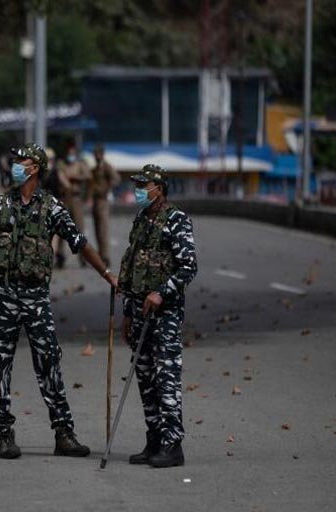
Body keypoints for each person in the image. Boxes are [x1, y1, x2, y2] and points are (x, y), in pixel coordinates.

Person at [0, 143, 118, 459]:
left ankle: (64, 434)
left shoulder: (51, 208)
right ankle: (4, 434)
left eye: (21, 161)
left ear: (35, 167)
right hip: (5, 296)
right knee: (0, 363)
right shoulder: (0, 203)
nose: (15, 166)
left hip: (36, 298)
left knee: (49, 362)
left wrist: (107, 274)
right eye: (14, 162)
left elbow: (79, 242)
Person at [118, 164, 197, 468]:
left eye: (144, 185)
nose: (138, 189)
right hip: (139, 312)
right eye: (137, 184)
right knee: (145, 377)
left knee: (166, 378)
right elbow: (132, 267)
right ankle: (153, 440)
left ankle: (172, 444)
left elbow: (188, 266)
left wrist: (161, 292)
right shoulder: (140, 220)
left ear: (159, 188)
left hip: (164, 314)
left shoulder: (177, 220)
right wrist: (128, 312)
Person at [55, 140, 90, 267]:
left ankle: (83, 257)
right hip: (65, 198)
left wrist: (77, 177)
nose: (70, 153)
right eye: (69, 150)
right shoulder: (61, 163)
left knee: (79, 228)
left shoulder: (80, 163)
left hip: (76, 199)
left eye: (72, 150)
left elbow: (87, 176)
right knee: (62, 227)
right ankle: (60, 256)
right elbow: (60, 176)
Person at [88, 144, 120, 266]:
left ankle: (105, 255)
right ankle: (101, 254)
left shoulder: (106, 167)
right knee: (96, 228)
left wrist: (107, 188)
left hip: (103, 200)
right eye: (95, 154)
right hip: (96, 200)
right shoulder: (95, 168)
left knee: (103, 229)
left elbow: (116, 178)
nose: (96, 156)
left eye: (98, 154)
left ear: (102, 154)